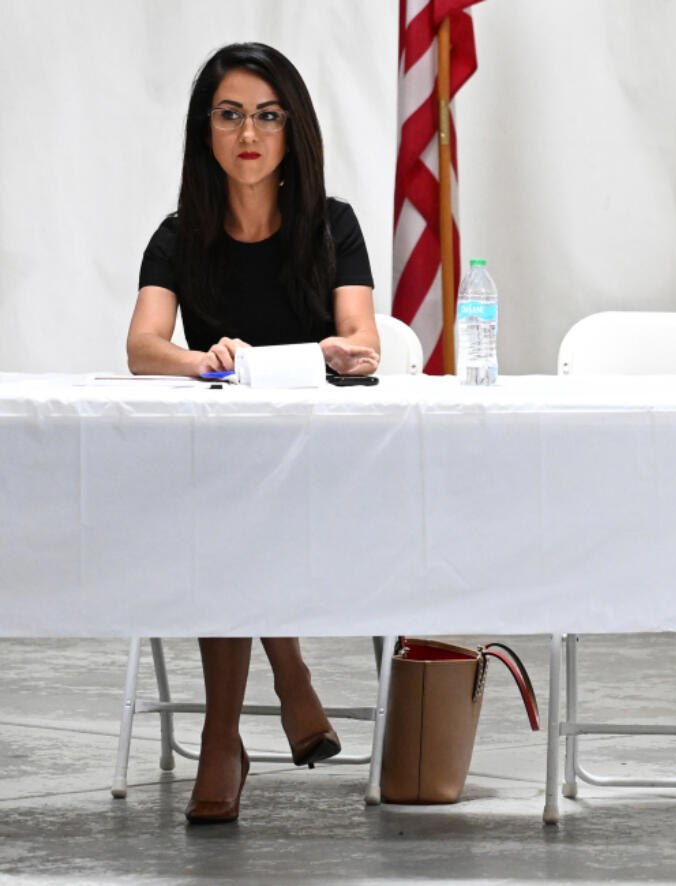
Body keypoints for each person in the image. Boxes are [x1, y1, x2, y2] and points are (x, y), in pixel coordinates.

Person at [126, 42, 380, 824]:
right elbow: (142, 348)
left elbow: (362, 342)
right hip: (224, 472)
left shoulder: (332, 226)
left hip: (322, 470)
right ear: (207, 131)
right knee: (227, 507)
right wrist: (204, 361)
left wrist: (329, 354)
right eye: (231, 114)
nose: (249, 132)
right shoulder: (179, 235)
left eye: (268, 116)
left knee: (228, 516)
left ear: (292, 129)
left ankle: (224, 737)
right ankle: (281, 686)